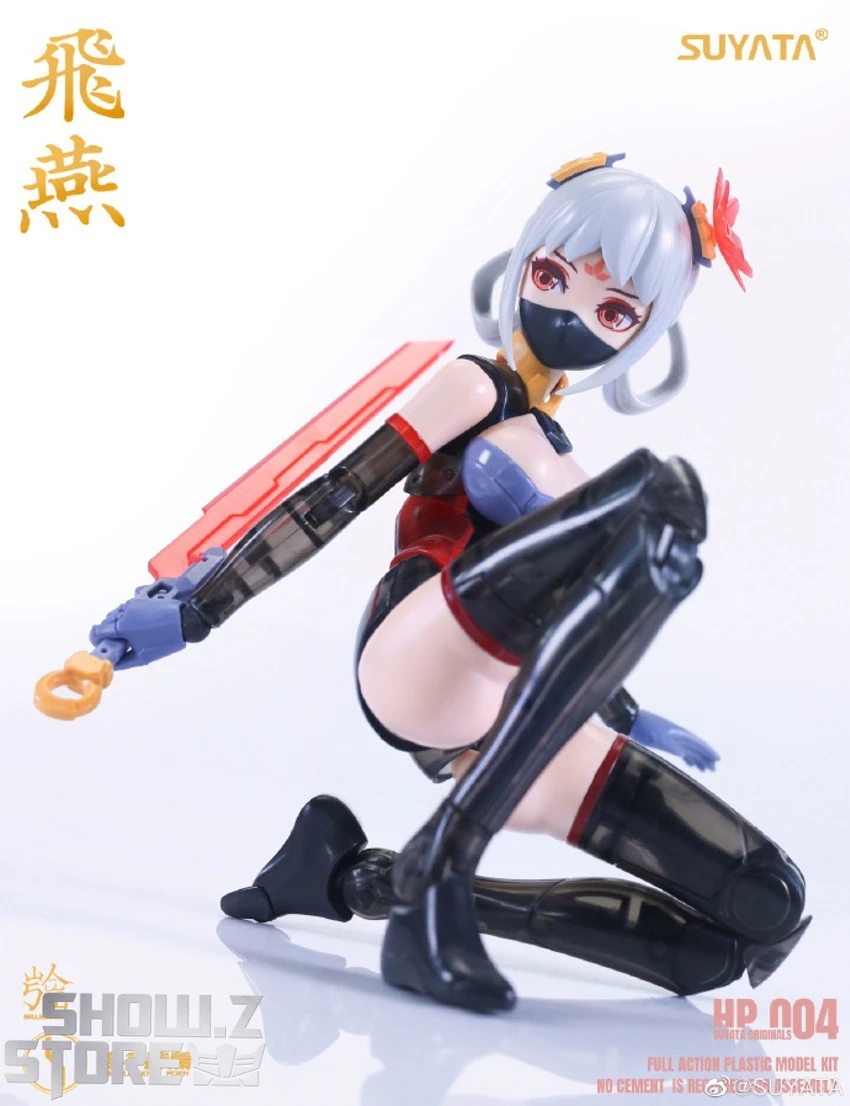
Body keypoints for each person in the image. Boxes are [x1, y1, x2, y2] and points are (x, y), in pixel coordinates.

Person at [86, 154, 809, 1012]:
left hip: (507, 709)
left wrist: (622, 710)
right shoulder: (476, 386)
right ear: (523, 264)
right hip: (420, 647)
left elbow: (573, 604)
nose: (571, 314)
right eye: (554, 277)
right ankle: (432, 891)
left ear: (644, 336)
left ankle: (354, 878)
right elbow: (335, 496)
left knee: (753, 917)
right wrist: (200, 610)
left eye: (614, 311)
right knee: (650, 498)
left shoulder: (558, 446)